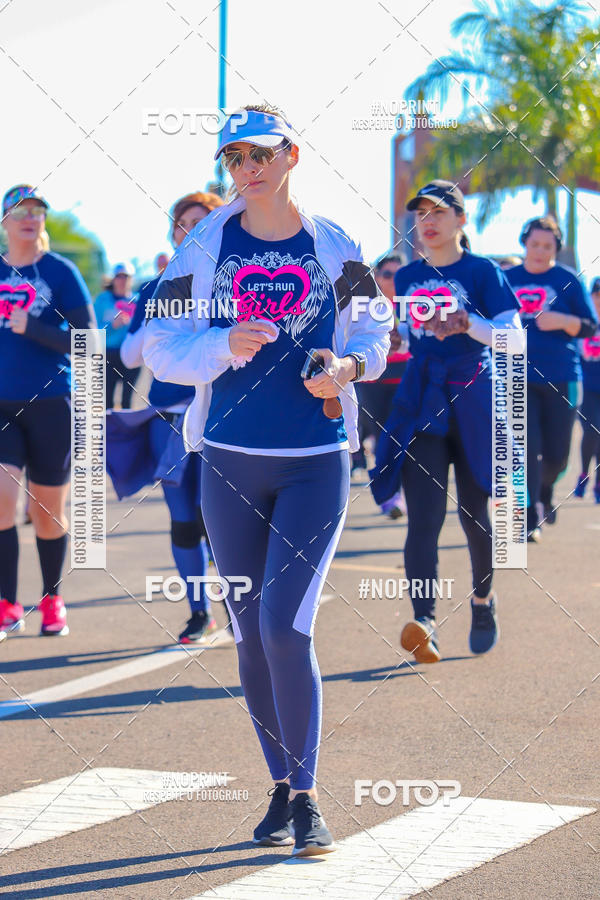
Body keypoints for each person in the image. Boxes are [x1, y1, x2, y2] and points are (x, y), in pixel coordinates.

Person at [143, 104, 391, 856]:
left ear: (291, 155)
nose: (246, 173)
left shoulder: (335, 242)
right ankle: (280, 786)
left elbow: (377, 328)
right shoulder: (204, 245)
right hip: (226, 462)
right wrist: (221, 341)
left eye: (259, 157)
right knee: (250, 632)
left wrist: (347, 368)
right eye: (234, 161)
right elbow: (159, 340)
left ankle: (310, 796)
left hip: (315, 463)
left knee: (286, 626)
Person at [369, 180, 524, 664]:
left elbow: (513, 338)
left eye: (439, 212)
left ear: (461, 220)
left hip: (475, 396)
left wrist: (467, 323)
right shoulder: (410, 274)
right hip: (423, 400)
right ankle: (426, 622)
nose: (428, 221)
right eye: (420, 213)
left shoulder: (483, 271)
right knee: (424, 519)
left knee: (475, 515)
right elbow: (407, 332)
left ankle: (482, 601)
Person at [120, 191, 224, 643]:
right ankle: (200, 613)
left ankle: (245, 608)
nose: (190, 230)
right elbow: (127, 354)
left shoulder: (234, 278)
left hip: (225, 414)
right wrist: (160, 311)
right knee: (183, 517)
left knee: (220, 517)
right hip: (170, 417)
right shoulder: (155, 287)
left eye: (201, 222)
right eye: (183, 223)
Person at [0, 184, 95, 636]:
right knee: (2, 499)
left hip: (51, 402)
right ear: (4, 222)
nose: (29, 217)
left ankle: (52, 598)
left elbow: (89, 340)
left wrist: (32, 327)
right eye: (19, 210)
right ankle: (6, 603)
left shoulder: (59, 272)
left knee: (47, 511)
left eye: (37, 210)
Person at [505, 217, 598, 540]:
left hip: (563, 376)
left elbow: (589, 327)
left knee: (557, 456)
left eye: (548, 246)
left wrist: (562, 319)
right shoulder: (506, 279)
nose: (541, 251)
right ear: (524, 243)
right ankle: (528, 516)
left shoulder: (567, 279)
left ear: (556, 248)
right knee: (525, 449)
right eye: (535, 245)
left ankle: (544, 488)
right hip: (516, 376)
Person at [351, 252, 410, 518]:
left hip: (405, 377)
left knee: (400, 438)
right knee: (380, 437)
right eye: (387, 274)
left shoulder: (415, 304)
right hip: (374, 379)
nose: (393, 281)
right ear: (376, 276)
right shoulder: (365, 305)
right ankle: (390, 496)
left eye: (400, 275)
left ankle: (397, 495)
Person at [94, 262, 139, 409]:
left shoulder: (138, 301)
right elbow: (93, 330)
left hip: (131, 354)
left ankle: (127, 431)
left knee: (128, 399)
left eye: (126, 277)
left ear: (131, 279)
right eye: (119, 276)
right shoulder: (102, 300)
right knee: (107, 399)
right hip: (108, 354)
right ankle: (108, 431)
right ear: (113, 279)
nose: (122, 280)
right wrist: (112, 325)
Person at [574, 277, 600, 502]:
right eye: (598, 295)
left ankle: (599, 483)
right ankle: (584, 473)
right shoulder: (584, 323)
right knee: (592, 431)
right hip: (587, 388)